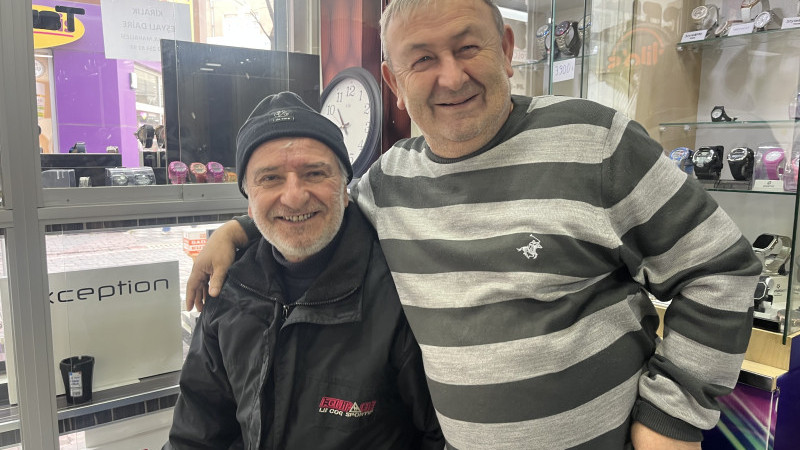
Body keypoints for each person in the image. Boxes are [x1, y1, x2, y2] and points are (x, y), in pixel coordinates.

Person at [186, 1, 761, 448]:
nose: (452, 77)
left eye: (467, 48)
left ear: (506, 49)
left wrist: (673, 418)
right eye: (422, 60)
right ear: (394, 82)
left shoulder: (594, 142)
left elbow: (722, 269)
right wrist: (237, 232)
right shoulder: (388, 182)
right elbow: (310, 205)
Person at [165, 92, 443, 449]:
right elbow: (197, 435)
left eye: (314, 173)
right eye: (270, 178)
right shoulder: (229, 288)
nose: (294, 197)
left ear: (346, 189)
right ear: (248, 201)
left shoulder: (399, 291)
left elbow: (441, 434)